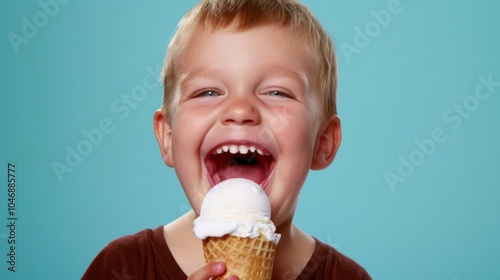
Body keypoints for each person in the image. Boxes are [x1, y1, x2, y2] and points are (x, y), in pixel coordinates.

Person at [83, 0, 372, 279]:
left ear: (323, 142)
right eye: (208, 92)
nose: (240, 111)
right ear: (168, 137)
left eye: (276, 92)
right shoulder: (121, 267)